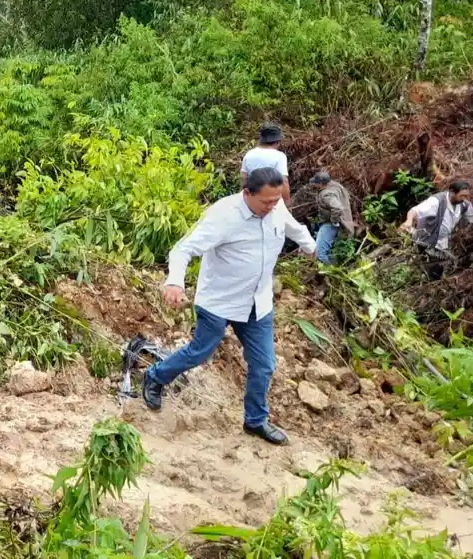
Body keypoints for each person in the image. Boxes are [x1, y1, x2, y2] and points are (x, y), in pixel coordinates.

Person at [143, 167, 316, 446]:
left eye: (276, 200)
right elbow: (184, 249)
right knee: (199, 353)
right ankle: (155, 376)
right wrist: (175, 282)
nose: (272, 206)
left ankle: (255, 420)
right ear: (246, 193)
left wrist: (311, 247)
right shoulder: (224, 215)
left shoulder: (275, 207)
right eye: (266, 202)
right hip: (219, 302)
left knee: (264, 364)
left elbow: (293, 227)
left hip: (257, 304)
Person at [400, 180, 473, 281]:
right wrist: (409, 221)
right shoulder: (436, 201)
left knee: (438, 270)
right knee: (434, 272)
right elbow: (414, 210)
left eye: (467, 196)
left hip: (442, 243)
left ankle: (428, 283)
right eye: (462, 195)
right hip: (426, 242)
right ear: (452, 192)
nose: (464, 199)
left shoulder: (463, 205)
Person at [309, 171, 356, 264]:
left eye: (316, 182)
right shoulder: (335, 185)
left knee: (319, 254)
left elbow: (338, 208)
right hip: (345, 220)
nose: (314, 184)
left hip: (330, 223)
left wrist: (334, 221)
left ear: (321, 184)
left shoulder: (326, 195)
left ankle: (330, 273)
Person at [241, 123, 290, 206]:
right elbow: (284, 181)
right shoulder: (279, 156)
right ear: (277, 142)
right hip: (271, 200)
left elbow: (244, 180)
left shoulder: (249, 154)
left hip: (253, 200)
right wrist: (287, 202)